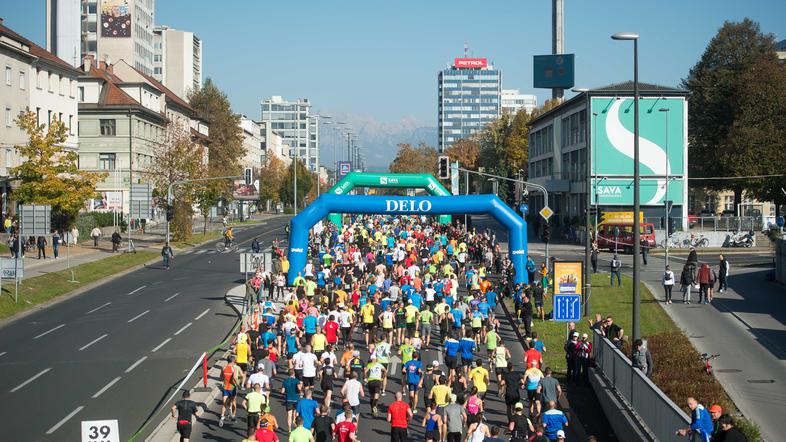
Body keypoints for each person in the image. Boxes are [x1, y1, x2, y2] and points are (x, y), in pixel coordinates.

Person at [219, 356, 240, 427]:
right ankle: (233, 415)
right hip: (232, 388)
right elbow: (234, 378)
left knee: (224, 403)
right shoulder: (233, 368)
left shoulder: (224, 368)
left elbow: (221, 377)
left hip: (225, 387)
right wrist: (237, 385)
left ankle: (222, 417)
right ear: (233, 361)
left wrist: (225, 378)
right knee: (233, 401)